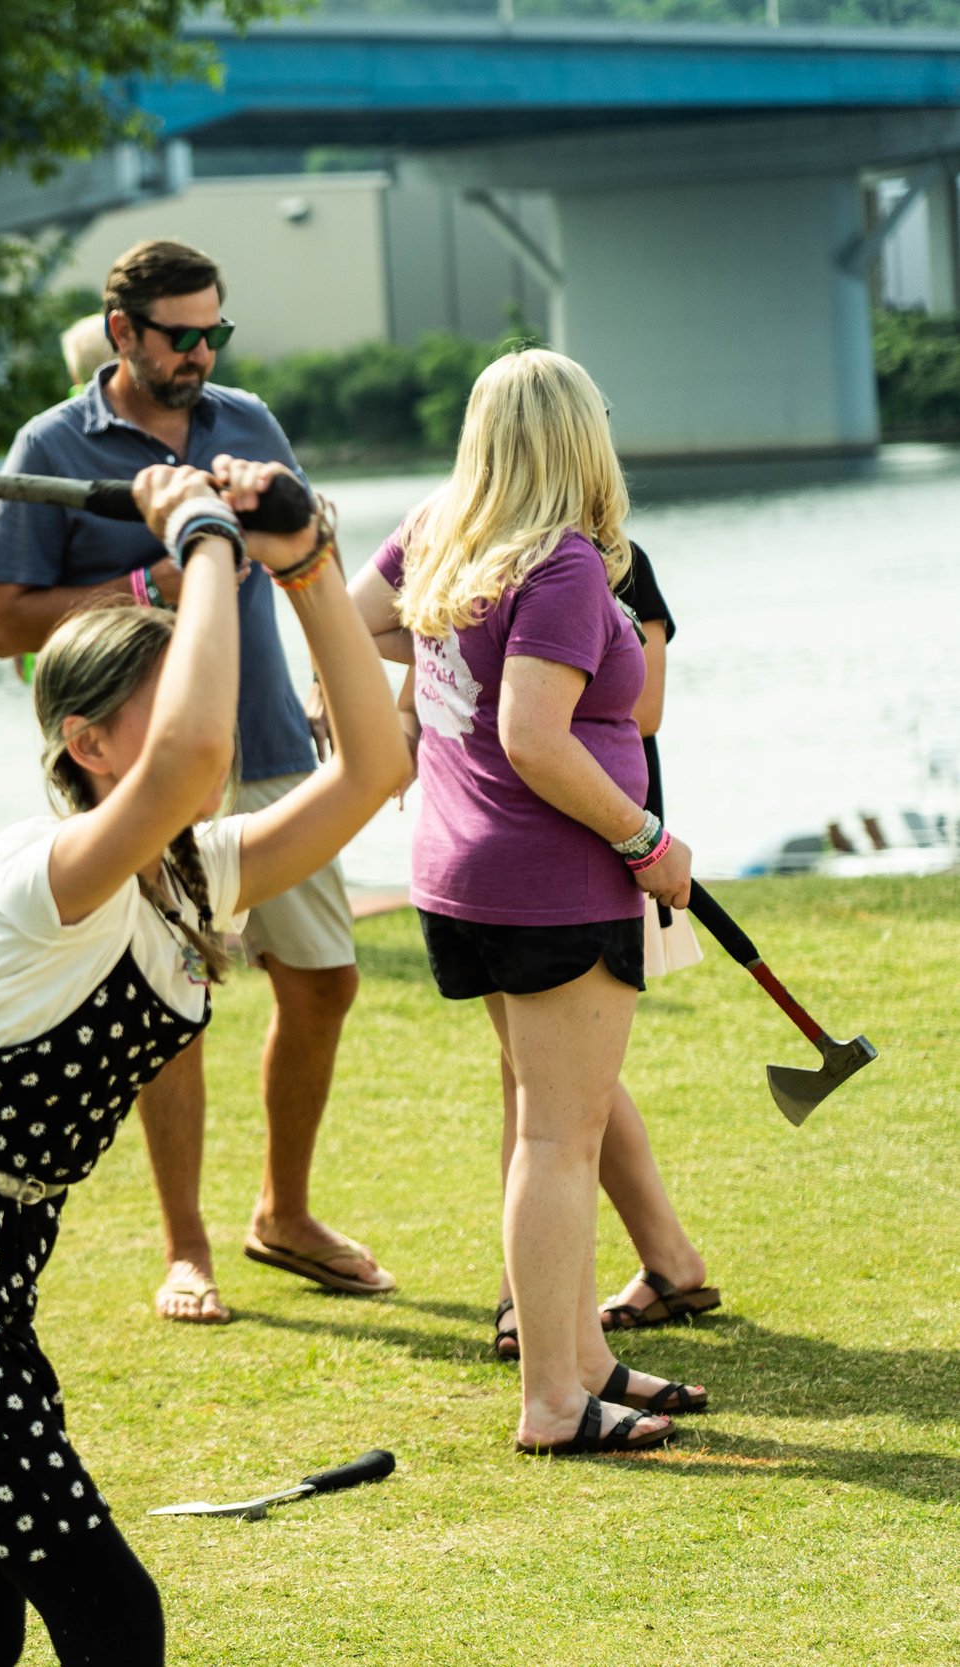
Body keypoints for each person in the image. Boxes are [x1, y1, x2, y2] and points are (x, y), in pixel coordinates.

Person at [0, 459, 409, 1666]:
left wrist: (307, 568)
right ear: (85, 741)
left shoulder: (195, 869)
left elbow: (375, 768)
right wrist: (204, 536)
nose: (216, 726)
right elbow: (188, 755)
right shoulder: (47, 874)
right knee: (110, 1613)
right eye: (177, 692)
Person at [0, 237, 390, 1325]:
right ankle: (186, 1246)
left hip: (269, 742)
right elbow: (3, 620)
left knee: (325, 978)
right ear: (122, 333)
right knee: (177, 1005)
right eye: (179, 335)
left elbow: (303, 545)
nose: (200, 352)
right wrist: (144, 575)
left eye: (215, 331)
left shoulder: (246, 421)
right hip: (144, 766)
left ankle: (283, 1214)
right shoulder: (49, 443)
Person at [348, 349, 709, 1454]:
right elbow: (532, 736)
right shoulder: (557, 563)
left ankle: (584, 1358)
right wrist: (644, 834)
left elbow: (359, 618)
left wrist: (435, 666)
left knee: (554, 1123)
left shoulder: (438, 532)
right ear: (577, 436)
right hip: (550, 880)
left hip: (460, 874)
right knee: (558, 1136)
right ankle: (554, 1397)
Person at [476, 541, 717, 1360]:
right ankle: (666, 1263)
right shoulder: (486, 550)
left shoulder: (616, 557)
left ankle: (541, 1302)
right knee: (551, 1079)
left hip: (614, 834)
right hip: (530, 850)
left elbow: (644, 712)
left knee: (554, 1086)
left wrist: (534, 684)